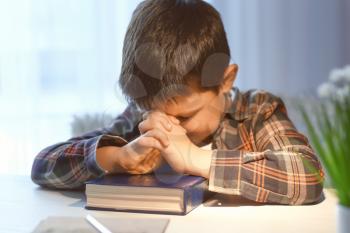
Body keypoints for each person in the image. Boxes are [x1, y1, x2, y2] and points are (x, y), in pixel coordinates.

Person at [31, 0, 324, 205]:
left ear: (226, 80)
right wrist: (117, 159)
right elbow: (43, 165)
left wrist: (195, 159)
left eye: (184, 117)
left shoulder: (256, 111)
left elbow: (308, 175)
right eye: (151, 111)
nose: (167, 126)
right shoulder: (140, 117)